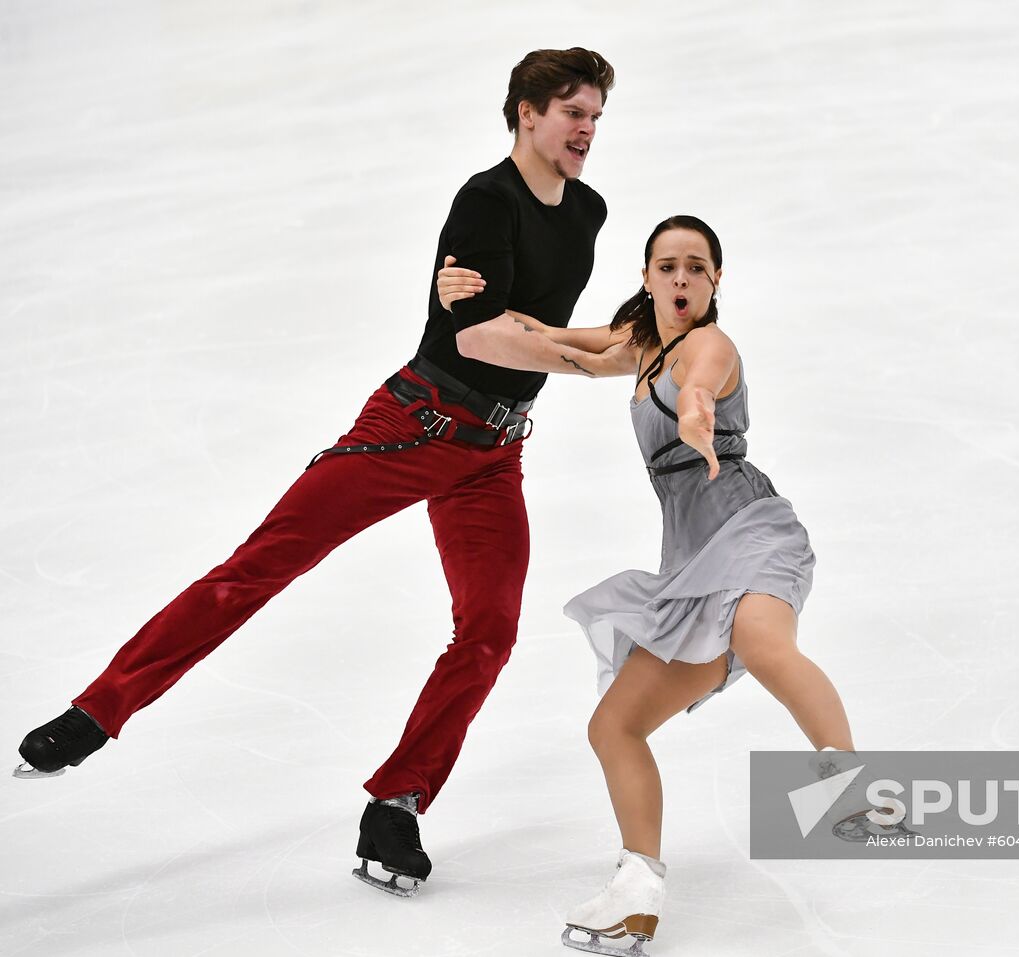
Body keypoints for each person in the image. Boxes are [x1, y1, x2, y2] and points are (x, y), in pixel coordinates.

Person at [14, 47, 633, 898]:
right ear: (528, 112)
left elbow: (522, 321)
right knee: (258, 568)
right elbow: (476, 338)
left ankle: (398, 802)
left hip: (493, 454)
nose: (588, 131)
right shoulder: (484, 201)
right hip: (413, 424)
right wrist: (599, 362)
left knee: (488, 631)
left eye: (597, 116)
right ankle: (97, 711)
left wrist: (593, 339)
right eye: (575, 113)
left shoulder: (587, 212)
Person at [437, 216, 899, 955]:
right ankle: (637, 888)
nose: (681, 278)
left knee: (762, 638)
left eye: (696, 267)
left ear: (715, 282)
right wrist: (463, 306)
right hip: (692, 566)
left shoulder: (708, 348)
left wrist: (694, 414)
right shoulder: (643, 349)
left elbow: (702, 387)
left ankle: (854, 784)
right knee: (612, 726)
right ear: (648, 277)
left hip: (752, 531)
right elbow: (554, 339)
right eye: (668, 266)